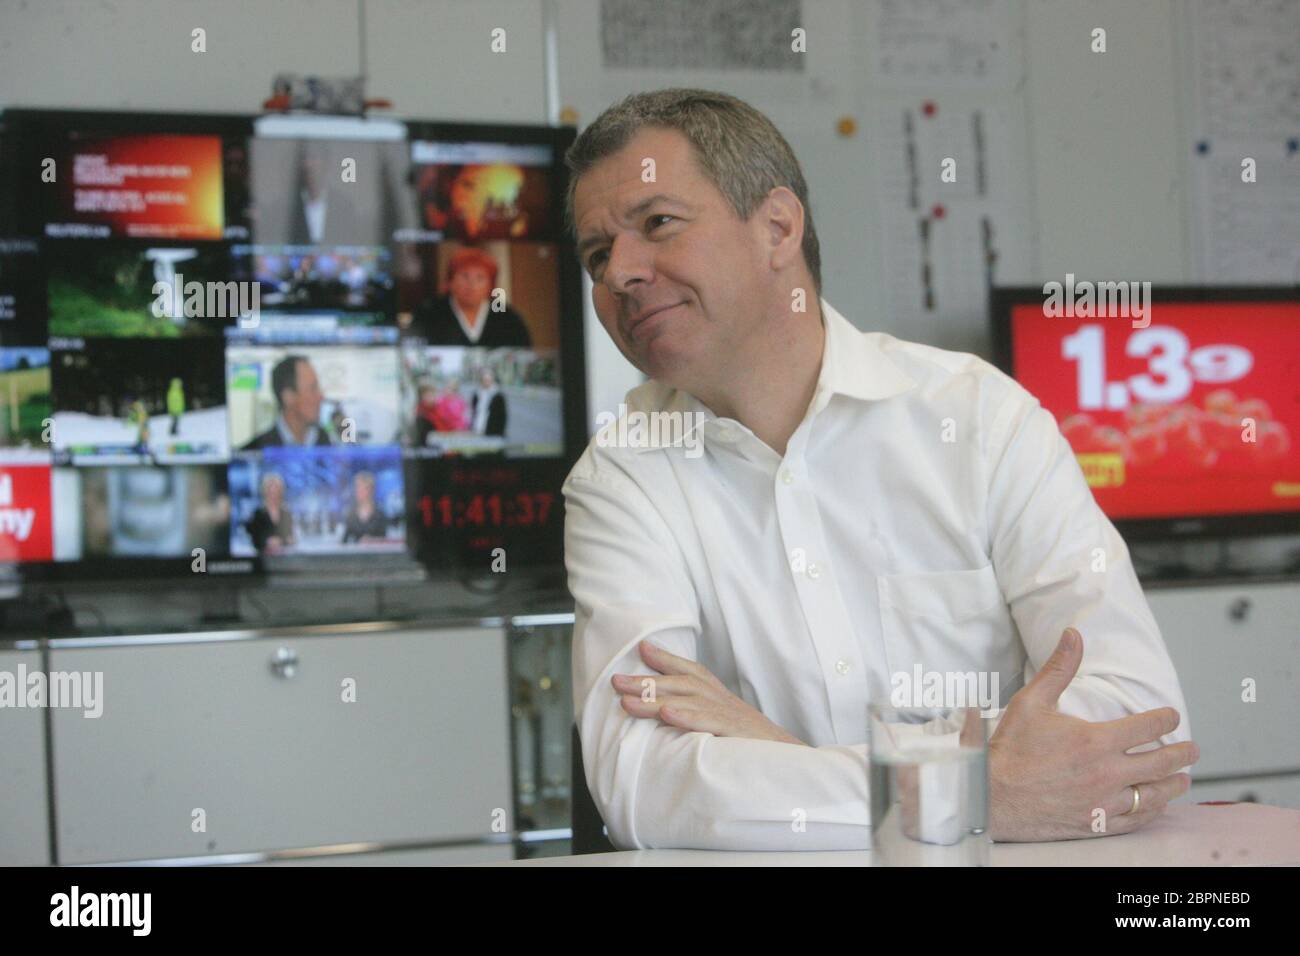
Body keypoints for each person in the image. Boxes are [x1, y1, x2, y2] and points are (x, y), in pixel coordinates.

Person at [563, 89, 1199, 851]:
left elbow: (1137, 715)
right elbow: (641, 783)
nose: (620, 274)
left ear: (777, 226)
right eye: (597, 255)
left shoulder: (983, 418)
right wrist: (979, 789)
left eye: (657, 223)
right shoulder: (622, 476)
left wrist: (781, 756)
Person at [407, 247, 532, 347]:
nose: (471, 285)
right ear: (450, 281)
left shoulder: (508, 318)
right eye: (465, 276)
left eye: (480, 278)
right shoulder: (428, 313)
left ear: (491, 285)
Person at [242, 355, 333, 450]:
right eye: (313, 389)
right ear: (288, 397)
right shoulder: (253, 454)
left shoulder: (333, 448)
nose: (321, 397)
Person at [246, 472, 294, 553]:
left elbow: (291, 539)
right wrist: (267, 542)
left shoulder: (286, 514)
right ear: (265, 492)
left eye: (276, 491)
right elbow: (254, 540)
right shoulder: (257, 514)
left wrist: (281, 541)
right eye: (270, 491)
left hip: (284, 559)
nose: (273, 494)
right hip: (263, 560)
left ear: (281, 492)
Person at [340, 471, 388, 543]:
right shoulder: (351, 513)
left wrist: (371, 541)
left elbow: (385, 540)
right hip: (355, 553)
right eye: (357, 487)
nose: (359, 491)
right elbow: (344, 541)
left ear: (371, 490)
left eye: (363, 488)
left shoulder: (380, 513)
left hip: (376, 552)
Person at [470, 368, 507, 437]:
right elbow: (473, 412)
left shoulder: (498, 396)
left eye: (488, 380)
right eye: (484, 380)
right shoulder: (477, 394)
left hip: (492, 432)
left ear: (492, 381)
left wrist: (500, 433)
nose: (486, 382)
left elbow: (502, 417)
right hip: (477, 429)